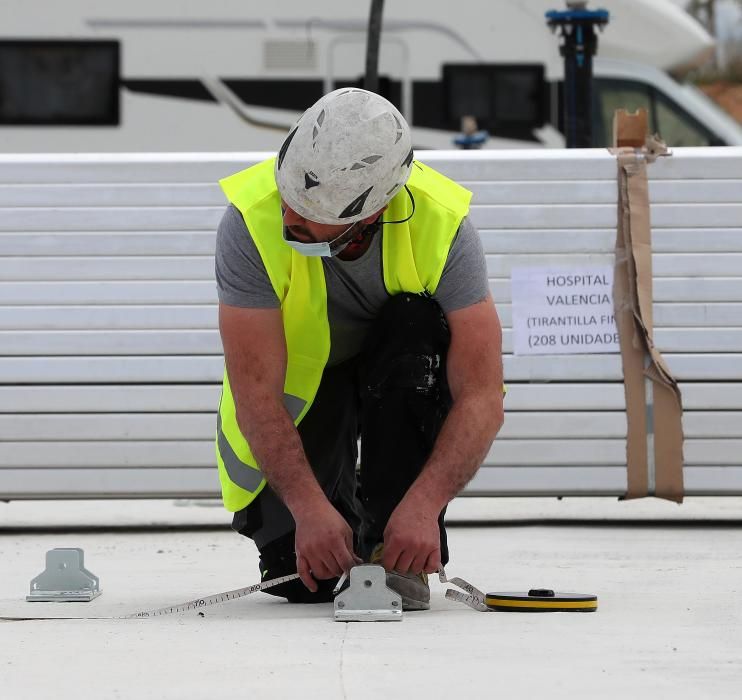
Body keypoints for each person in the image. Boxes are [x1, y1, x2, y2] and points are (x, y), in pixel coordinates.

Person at [214, 88, 503, 610]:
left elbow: (482, 394)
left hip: (394, 378)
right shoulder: (248, 224)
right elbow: (255, 392)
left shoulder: (444, 229)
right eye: (287, 199)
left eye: (307, 218)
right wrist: (307, 509)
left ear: (370, 215)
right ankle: (324, 526)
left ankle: (394, 543)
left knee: (413, 322)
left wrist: (424, 505)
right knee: (309, 582)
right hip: (305, 393)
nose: (286, 218)